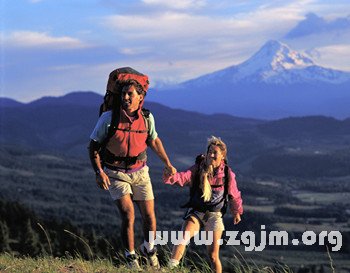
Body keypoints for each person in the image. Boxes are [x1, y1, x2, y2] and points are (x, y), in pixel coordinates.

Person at [89, 75, 176, 270]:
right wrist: (99, 172)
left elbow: (154, 141)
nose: (126, 97)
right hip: (114, 173)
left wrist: (168, 163)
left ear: (140, 97)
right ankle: (131, 259)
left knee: (150, 216)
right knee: (128, 215)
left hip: (140, 172)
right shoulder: (108, 118)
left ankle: (149, 250)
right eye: (123, 94)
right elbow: (93, 147)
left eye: (130, 94)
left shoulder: (147, 118)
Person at [163, 136, 243, 273]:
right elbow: (184, 177)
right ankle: (170, 269)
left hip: (215, 216)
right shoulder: (198, 168)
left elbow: (234, 194)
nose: (211, 155)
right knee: (183, 237)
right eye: (210, 151)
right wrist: (171, 176)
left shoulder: (227, 175)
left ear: (222, 157)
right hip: (197, 212)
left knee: (213, 256)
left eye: (215, 152)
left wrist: (236, 212)